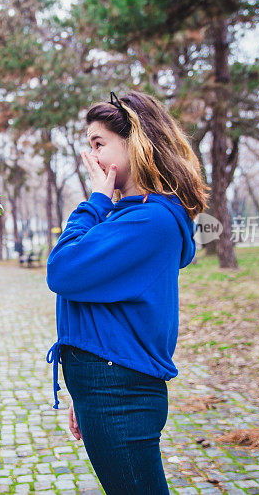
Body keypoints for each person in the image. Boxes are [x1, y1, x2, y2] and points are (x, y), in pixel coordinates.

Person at [45, 90, 208, 493]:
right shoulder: (133, 215)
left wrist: (96, 199)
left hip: (118, 391)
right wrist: (84, 395)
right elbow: (98, 302)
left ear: (134, 139)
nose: (93, 159)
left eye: (99, 144)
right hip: (106, 387)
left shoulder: (149, 220)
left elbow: (63, 269)